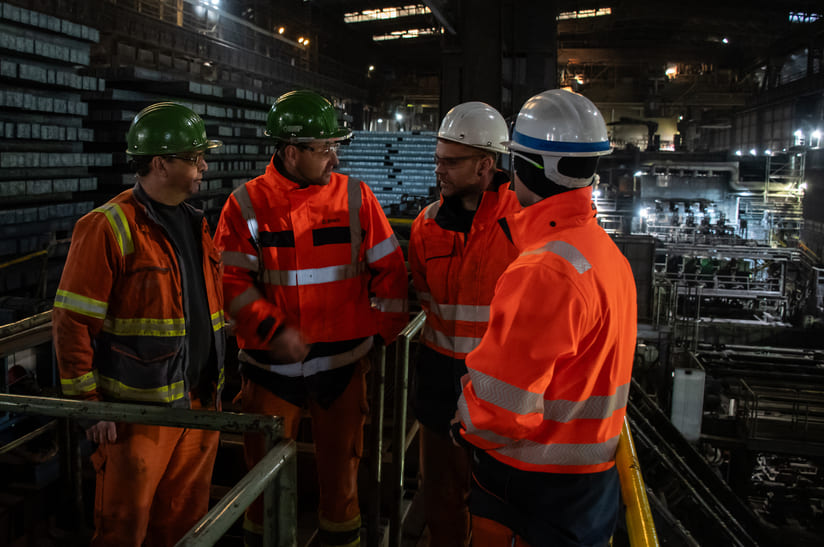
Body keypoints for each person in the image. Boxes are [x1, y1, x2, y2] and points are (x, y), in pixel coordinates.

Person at [214, 90, 408, 547]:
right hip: (269, 370)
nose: (334, 158)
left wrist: (381, 334)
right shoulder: (245, 205)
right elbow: (231, 284)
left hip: (342, 368)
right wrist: (273, 330)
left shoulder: (356, 198)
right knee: (261, 488)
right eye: (325, 149)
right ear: (291, 152)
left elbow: (391, 272)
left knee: (342, 484)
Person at [452, 89, 637, 547]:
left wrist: (461, 422)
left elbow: (500, 410)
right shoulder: (605, 252)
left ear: (527, 166)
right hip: (589, 485)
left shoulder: (544, 270)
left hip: (531, 486)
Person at [52, 102, 227, 546]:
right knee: (123, 530)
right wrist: (89, 406)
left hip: (199, 404)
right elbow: (72, 322)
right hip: (137, 418)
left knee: (185, 528)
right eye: (194, 158)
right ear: (160, 163)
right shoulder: (107, 226)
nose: (204, 166)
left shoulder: (196, 224)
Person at [408, 101, 520, 546]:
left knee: (497, 502)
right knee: (440, 495)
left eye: (451, 162)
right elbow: (424, 295)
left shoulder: (524, 225)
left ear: (485, 165)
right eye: (438, 159)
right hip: (438, 384)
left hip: (501, 387)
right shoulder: (426, 226)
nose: (440, 169)